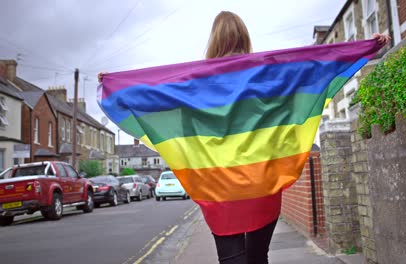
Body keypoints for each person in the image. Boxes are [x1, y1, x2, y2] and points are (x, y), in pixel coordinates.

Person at [99, 11, 390, 264]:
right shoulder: (266, 73)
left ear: (213, 41)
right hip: (262, 182)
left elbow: (154, 95)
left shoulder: (194, 85)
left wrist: (114, 85)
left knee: (231, 259)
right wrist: (367, 48)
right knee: (258, 257)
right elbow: (314, 65)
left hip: (218, 188)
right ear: (244, 37)